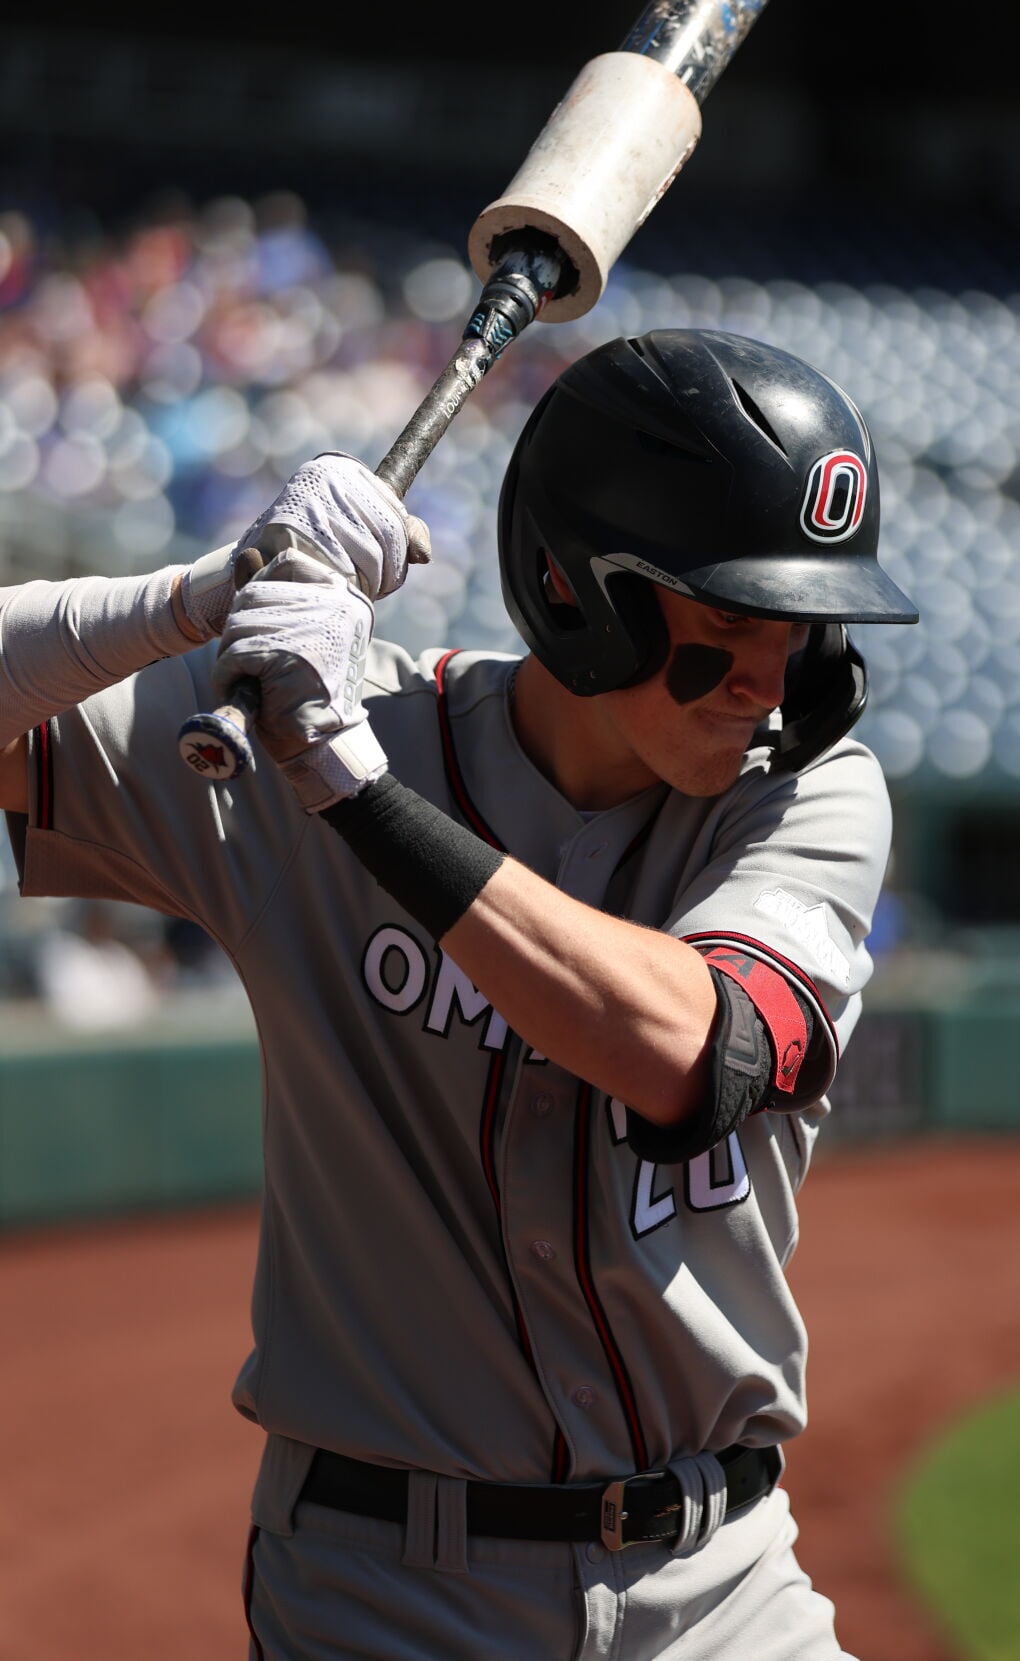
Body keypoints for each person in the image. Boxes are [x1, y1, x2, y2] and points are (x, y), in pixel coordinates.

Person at [0, 328, 917, 1659]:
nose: (770, 684)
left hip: (720, 1588)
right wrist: (201, 595)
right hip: (384, 1593)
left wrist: (354, 794)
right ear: (573, 590)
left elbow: (692, 1052)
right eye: (727, 628)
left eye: (802, 629)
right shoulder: (312, 726)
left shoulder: (808, 798)